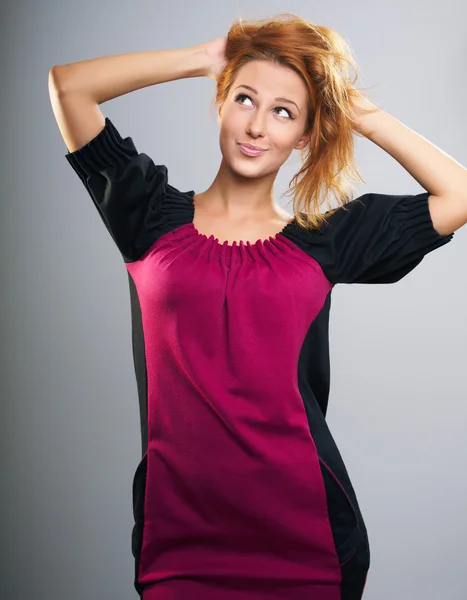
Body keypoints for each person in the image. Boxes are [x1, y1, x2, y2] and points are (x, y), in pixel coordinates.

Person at [49, 13, 461, 600]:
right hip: (180, 539)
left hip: (308, 539)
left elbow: (459, 193)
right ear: (221, 103)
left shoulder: (326, 241)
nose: (258, 125)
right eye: (245, 99)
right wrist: (203, 58)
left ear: (305, 136)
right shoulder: (147, 215)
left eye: (284, 112)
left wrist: (353, 112)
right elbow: (68, 88)